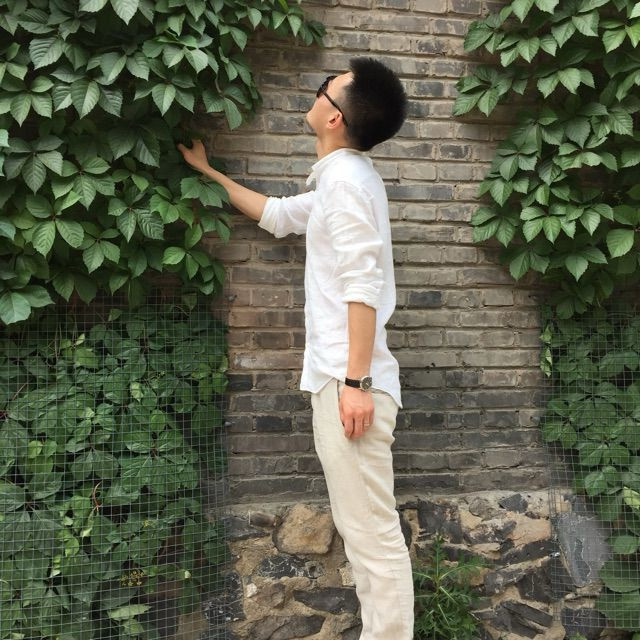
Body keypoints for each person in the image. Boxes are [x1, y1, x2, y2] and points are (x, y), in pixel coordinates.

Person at [178, 57, 413, 640]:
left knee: (372, 535)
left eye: (323, 87)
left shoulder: (347, 183)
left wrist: (355, 382)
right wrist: (208, 174)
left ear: (334, 118)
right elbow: (280, 215)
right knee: (363, 531)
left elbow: (363, 285)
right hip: (345, 380)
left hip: (351, 383)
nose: (316, 90)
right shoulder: (340, 180)